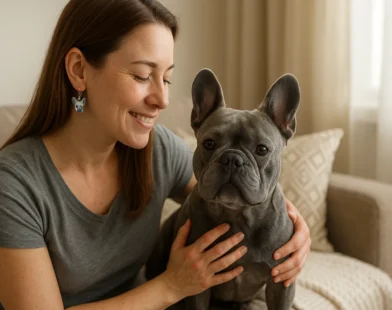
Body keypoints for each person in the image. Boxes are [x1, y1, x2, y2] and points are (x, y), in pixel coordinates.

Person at [0, 0, 311, 309]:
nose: (162, 100)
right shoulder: (14, 184)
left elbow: (237, 191)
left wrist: (297, 232)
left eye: (166, 79)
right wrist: (171, 286)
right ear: (79, 70)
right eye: (141, 76)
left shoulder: (158, 149)